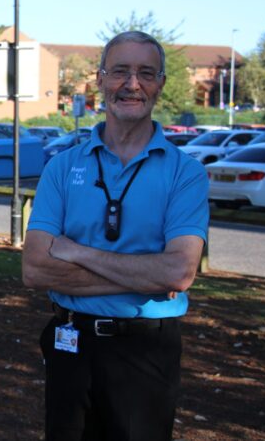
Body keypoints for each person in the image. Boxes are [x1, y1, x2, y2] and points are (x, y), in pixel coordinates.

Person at [22, 31, 209, 441]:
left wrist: (76, 252)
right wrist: (146, 278)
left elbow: (178, 272)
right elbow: (35, 269)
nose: (132, 84)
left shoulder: (186, 173)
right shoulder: (61, 167)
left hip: (145, 352)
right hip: (71, 343)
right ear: (100, 79)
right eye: (120, 71)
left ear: (160, 83)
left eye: (146, 73)